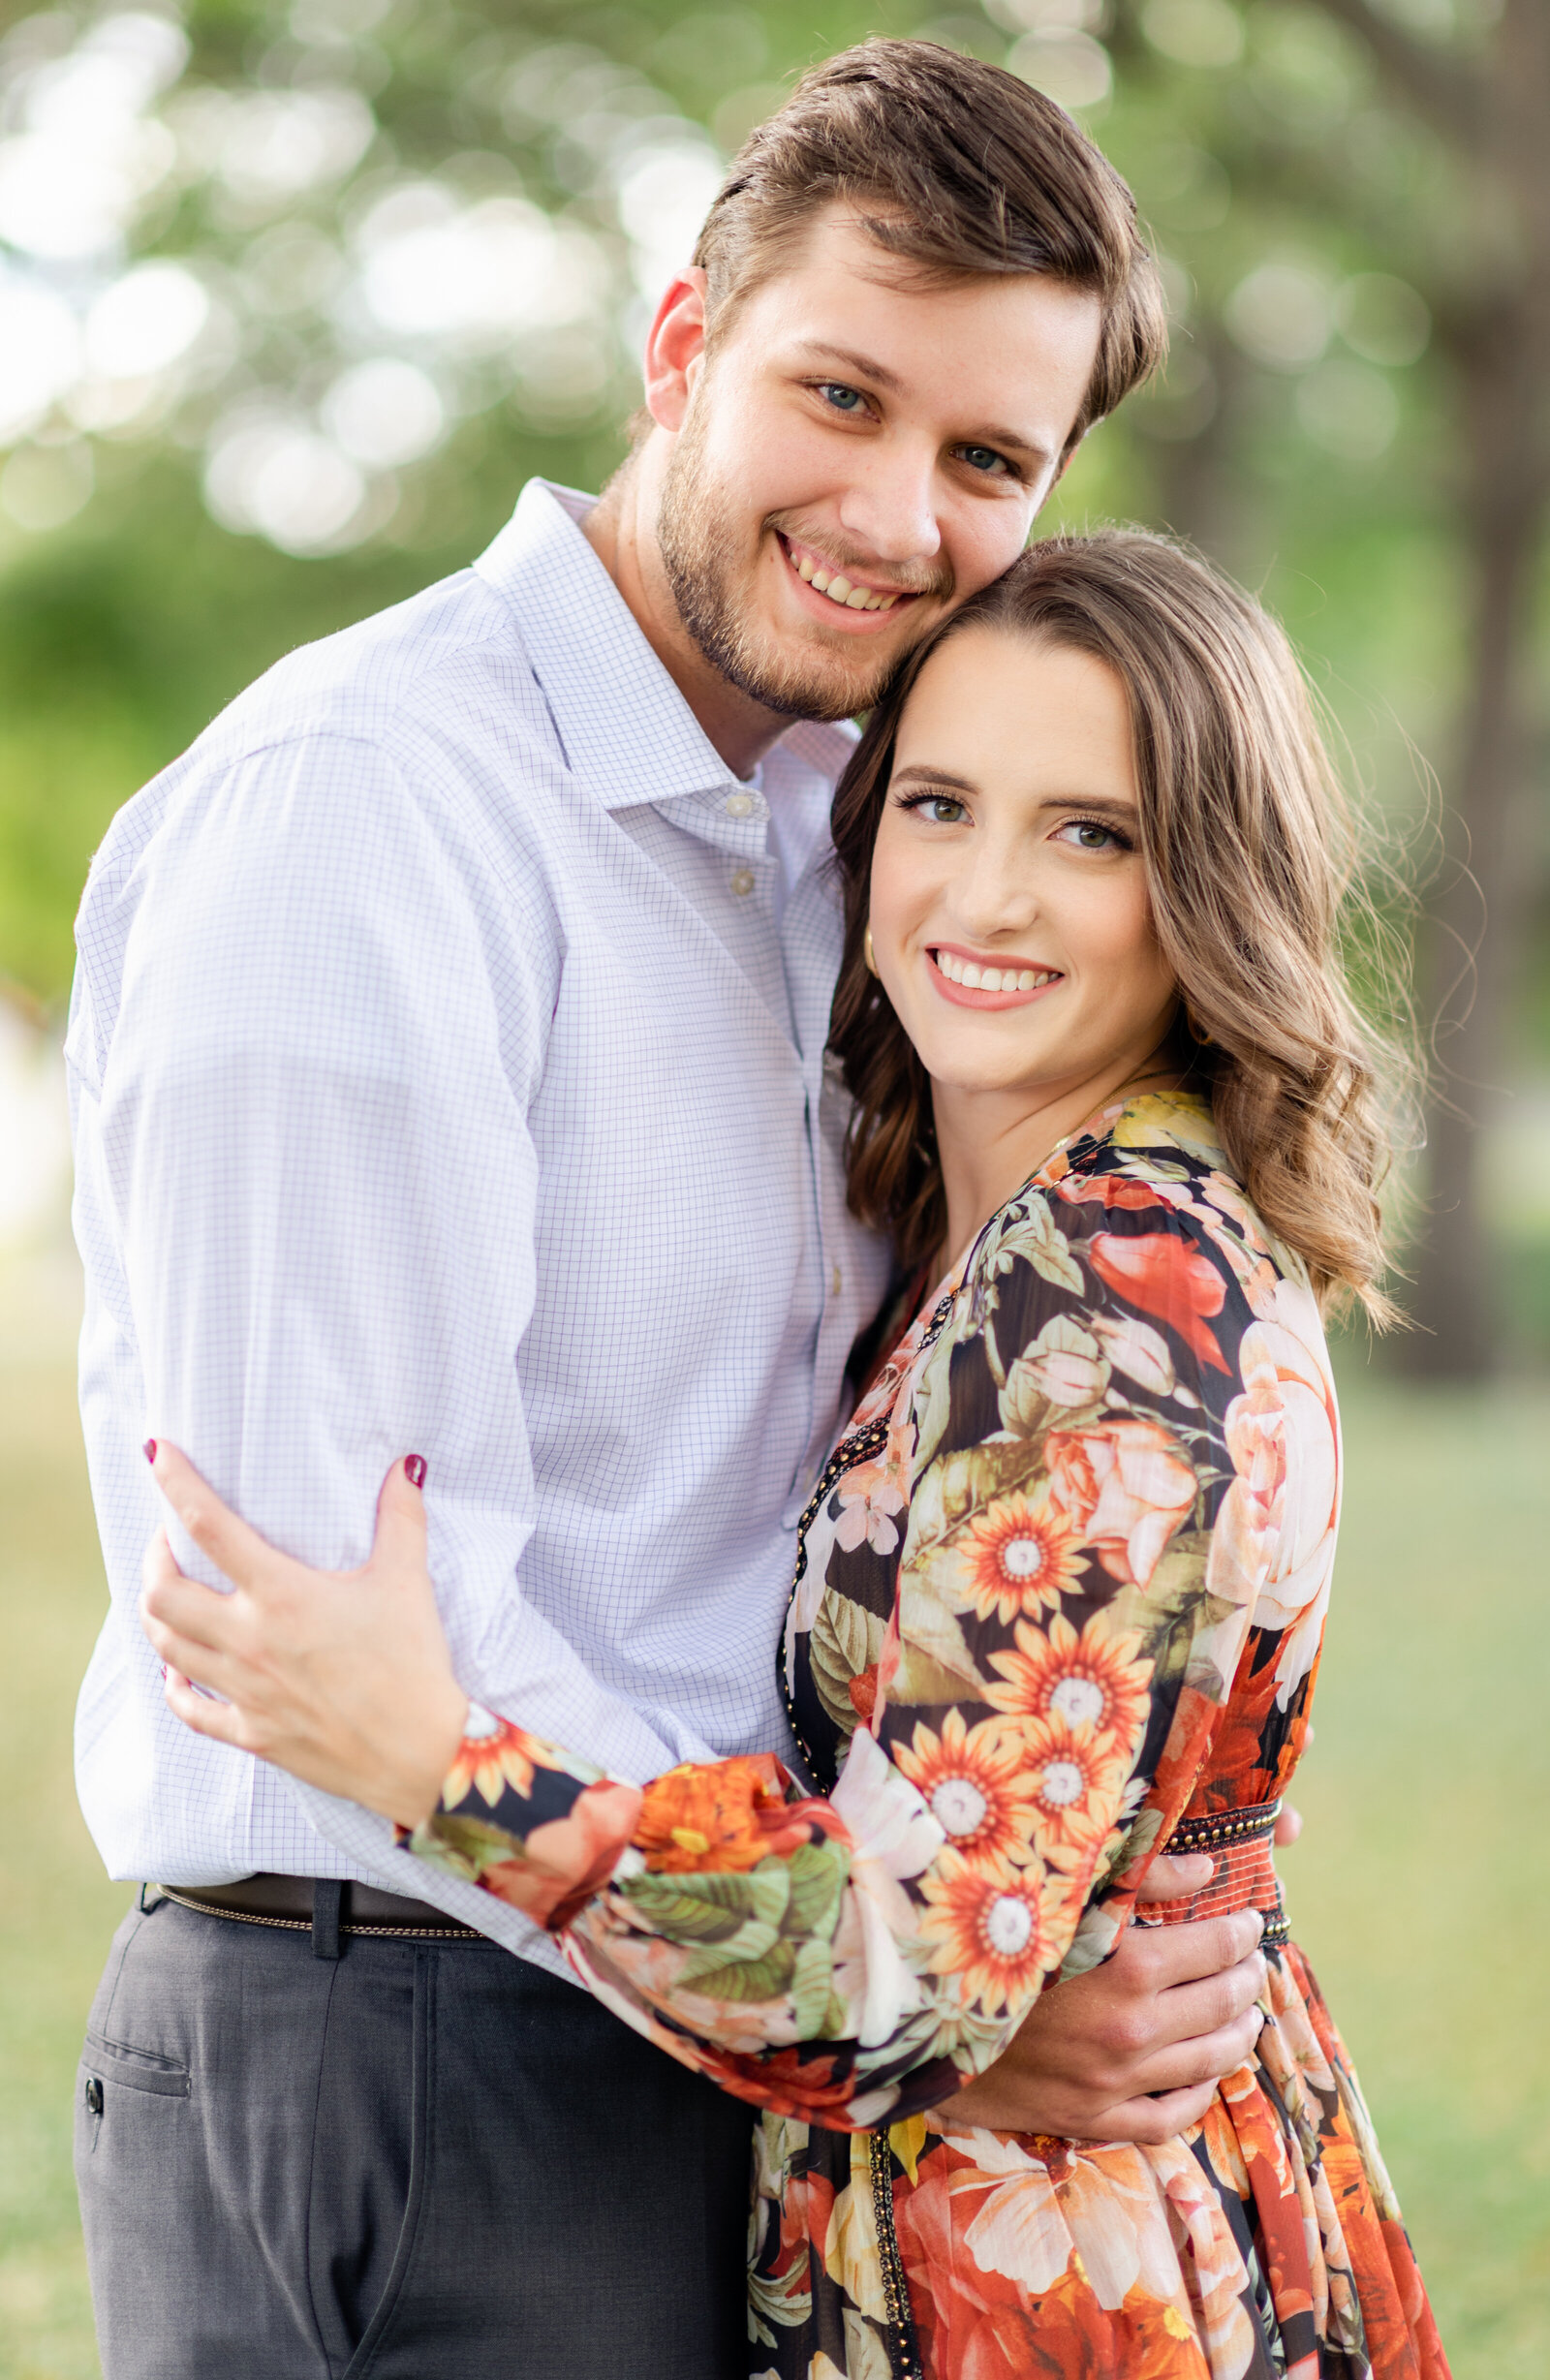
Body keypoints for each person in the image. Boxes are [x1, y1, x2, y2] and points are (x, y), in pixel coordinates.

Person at [74, 40, 1265, 2380]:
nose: (897, 510)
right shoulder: (371, 816)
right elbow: (351, 1630)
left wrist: (903, 1971)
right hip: (405, 2031)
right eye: (839, 393)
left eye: (985, 458)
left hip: (684, 2027)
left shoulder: (863, 823)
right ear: (680, 343)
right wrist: (901, 1996)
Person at [143, 530, 1450, 2379]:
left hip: (1059, 2277)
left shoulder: (1115, 1297)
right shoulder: (1003, 1236)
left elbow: (900, 1985)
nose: (987, 894)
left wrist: (437, 1758)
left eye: (1095, 833)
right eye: (937, 802)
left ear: (1211, 889)